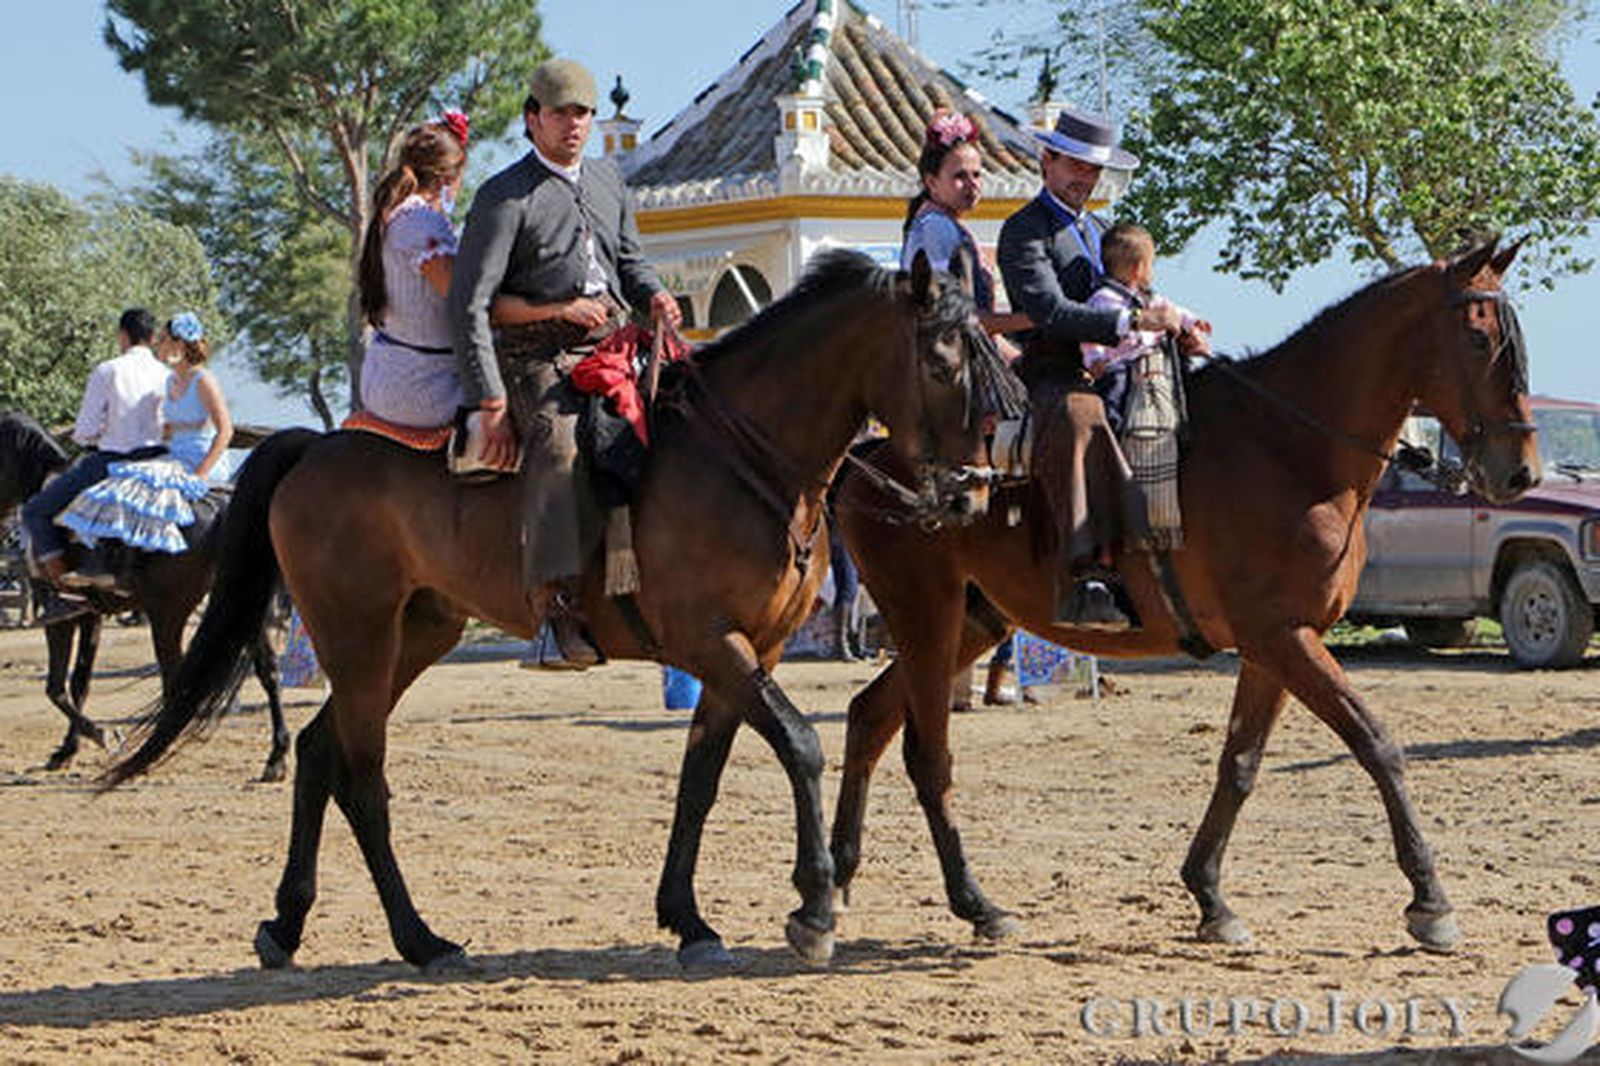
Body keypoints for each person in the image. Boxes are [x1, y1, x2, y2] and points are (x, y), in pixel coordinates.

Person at [448, 57, 680, 669]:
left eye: (582, 113)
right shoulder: (504, 196)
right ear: (533, 119)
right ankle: (551, 611)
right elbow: (471, 305)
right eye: (559, 113)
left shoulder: (609, 183)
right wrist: (491, 402)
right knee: (561, 445)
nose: (573, 124)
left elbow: (631, 263)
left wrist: (654, 293)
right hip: (536, 359)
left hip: (614, 346)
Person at [997, 107, 1187, 629]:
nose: (1086, 177)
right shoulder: (1024, 231)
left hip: (1119, 360)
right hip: (1054, 369)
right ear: (1048, 160)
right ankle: (1086, 573)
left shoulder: (1101, 229)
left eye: (1093, 169)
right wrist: (1131, 320)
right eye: (1076, 165)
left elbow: (1137, 291)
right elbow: (1048, 312)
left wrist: (1176, 324)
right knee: (1083, 418)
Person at [900, 108, 1027, 701]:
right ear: (931, 180)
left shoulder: (941, 228)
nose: (971, 185)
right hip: (960, 381)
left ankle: (966, 671)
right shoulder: (940, 233)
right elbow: (961, 322)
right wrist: (1035, 322)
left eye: (977, 175)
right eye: (960, 175)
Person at [22, 308, 169, 613]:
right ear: (153, 338)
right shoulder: (167, 374)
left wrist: (98, 433)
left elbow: (84, 431)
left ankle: (63, 589)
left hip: (111, 462)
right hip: (158, 463)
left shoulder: (108, 370)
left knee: (35, 512)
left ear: (123, 336)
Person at [1080, 222, 1211, 434]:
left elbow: (1173, 311)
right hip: (1120, 364)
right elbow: (1090, 334)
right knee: (1115, 391)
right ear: (1138, 269)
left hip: (1152, 362)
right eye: (1151, 264)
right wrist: (1094, 359)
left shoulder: (1148, 297)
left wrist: (1192, 323)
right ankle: (1114, 433)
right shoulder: (1103, 299)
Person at [159, 312, 235, 481]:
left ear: (179, 344)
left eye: (163, 339)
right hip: (174, 460)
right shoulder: (170, 381)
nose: (158, 345)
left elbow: (226, 431)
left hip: (200, 462)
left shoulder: (203, 380)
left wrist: (201, 473)